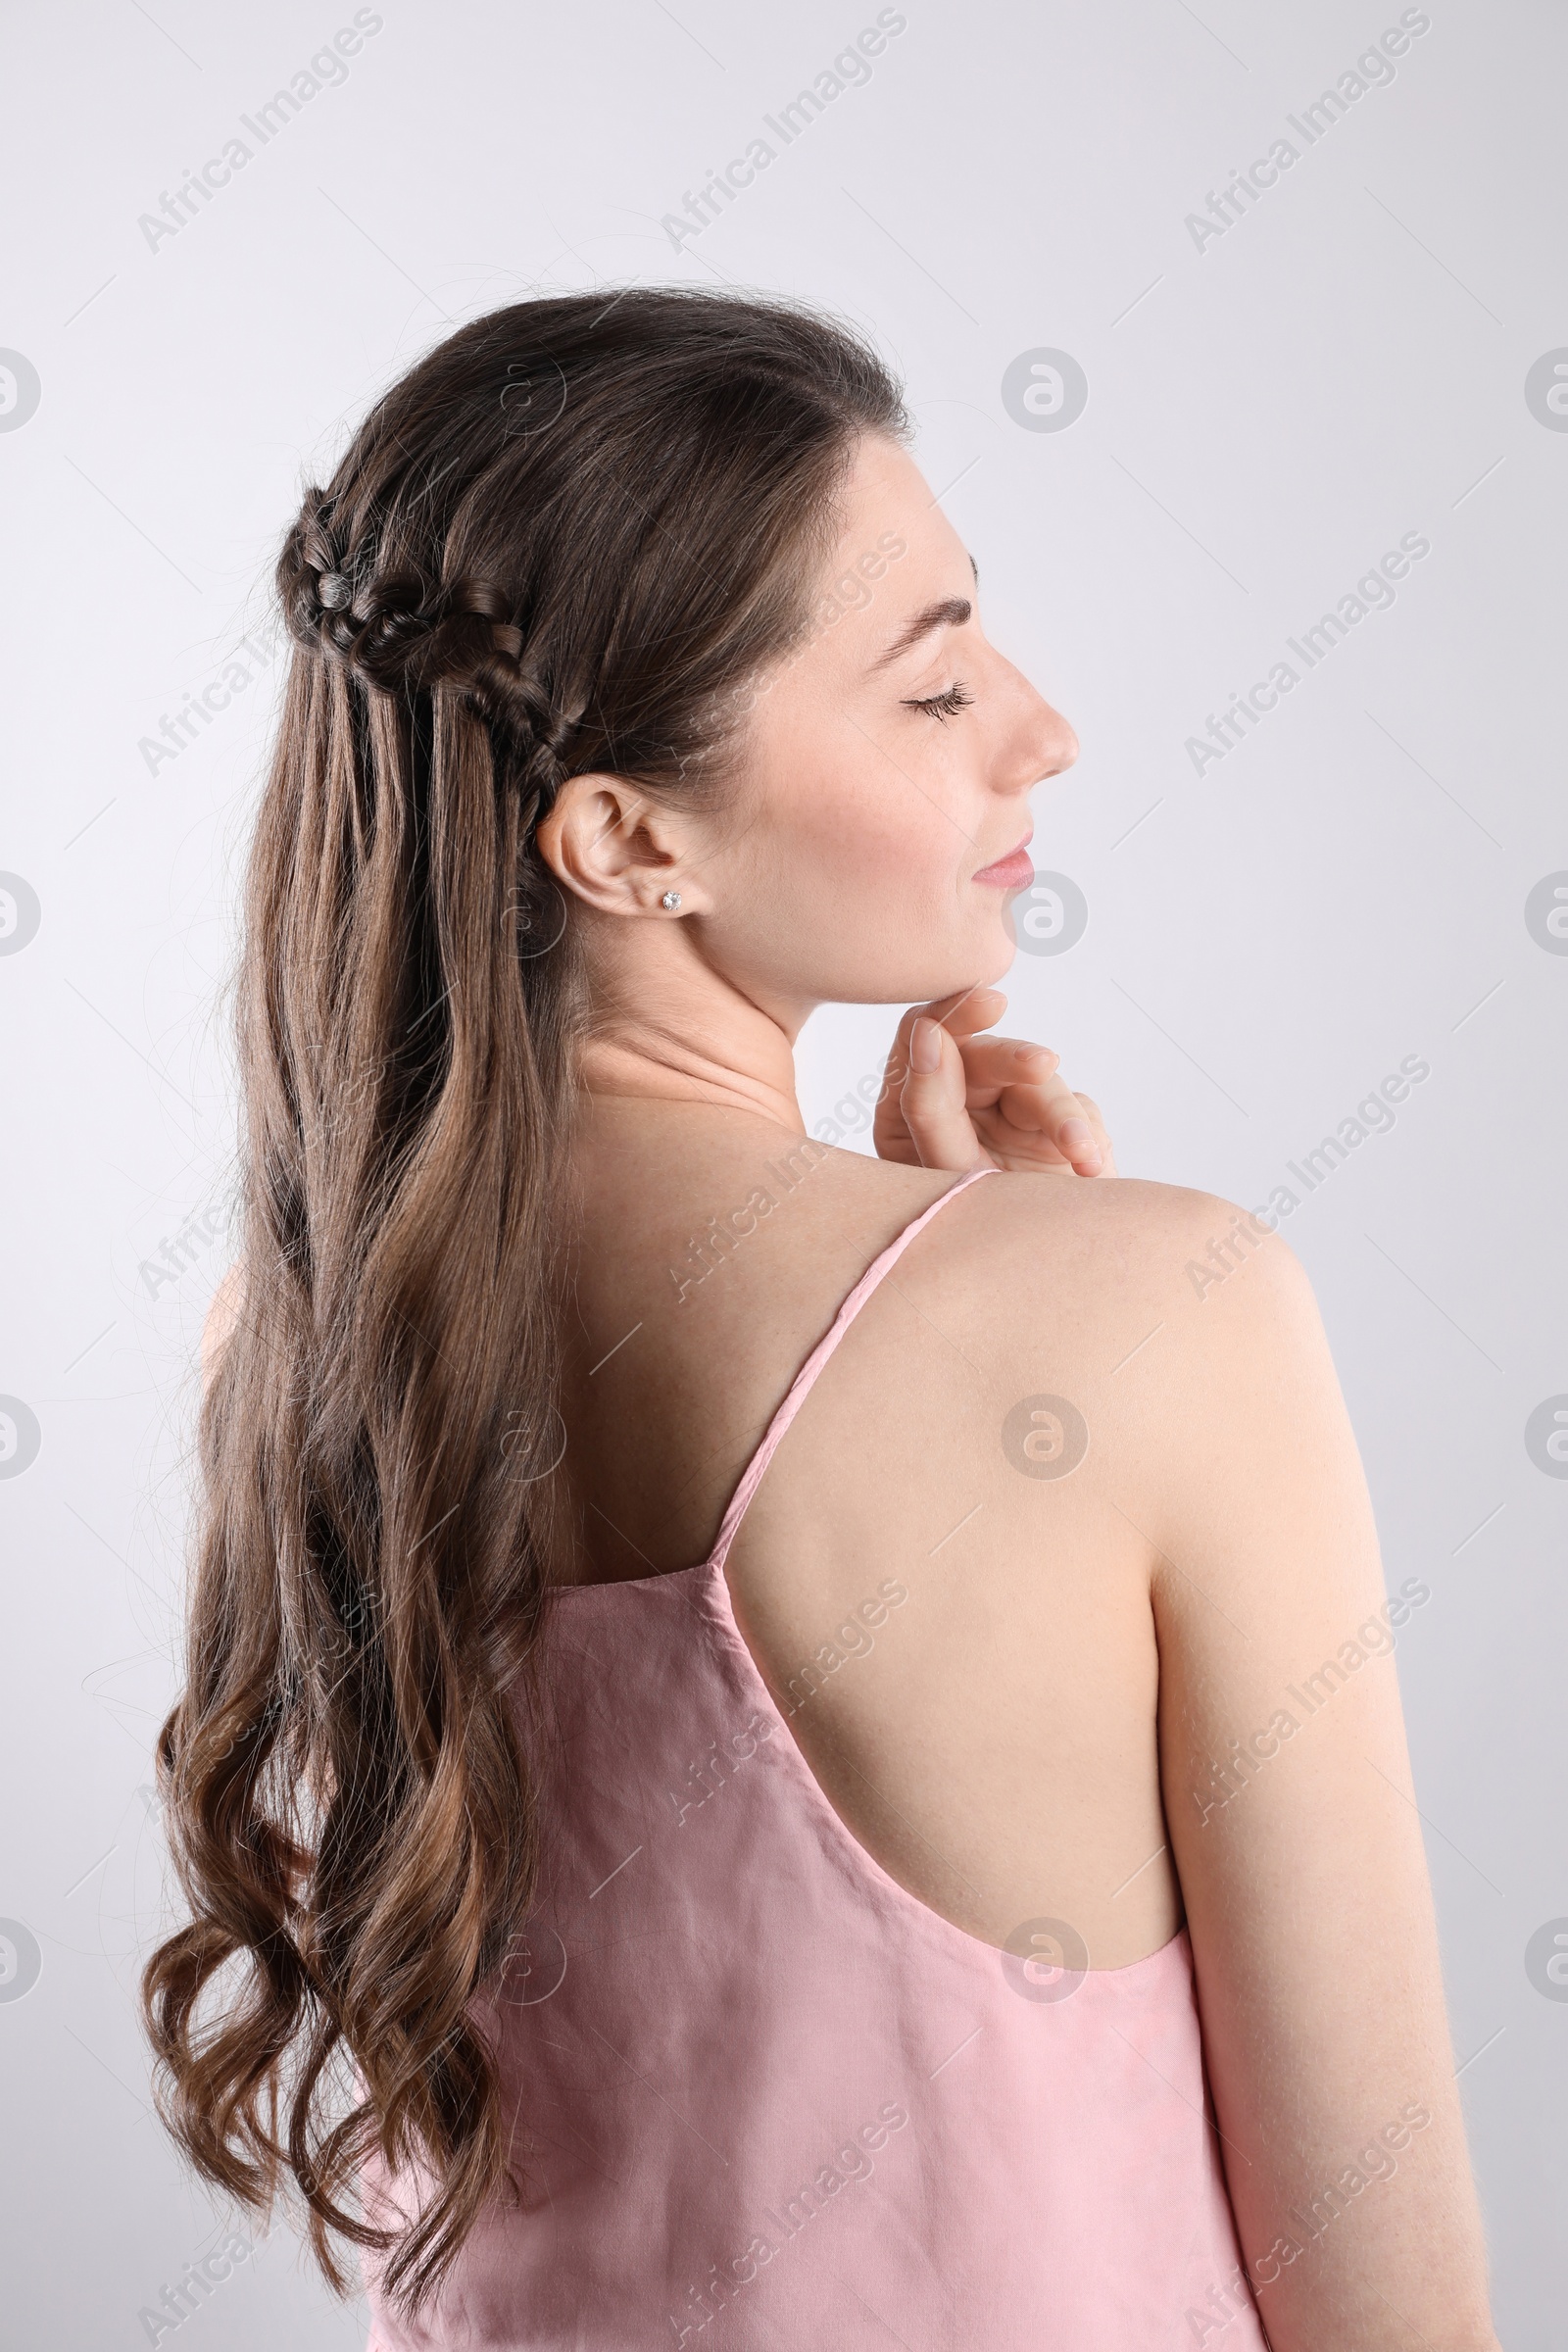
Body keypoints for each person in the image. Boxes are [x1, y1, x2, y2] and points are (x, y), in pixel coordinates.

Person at [144, 289, 1500, 2349]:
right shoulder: (1161, 1317)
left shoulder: (296, 1342)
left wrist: (975, 1275)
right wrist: (1034, 1312)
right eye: (934, 687)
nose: (1040, 728)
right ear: (624, 838)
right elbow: (1377, 2271)